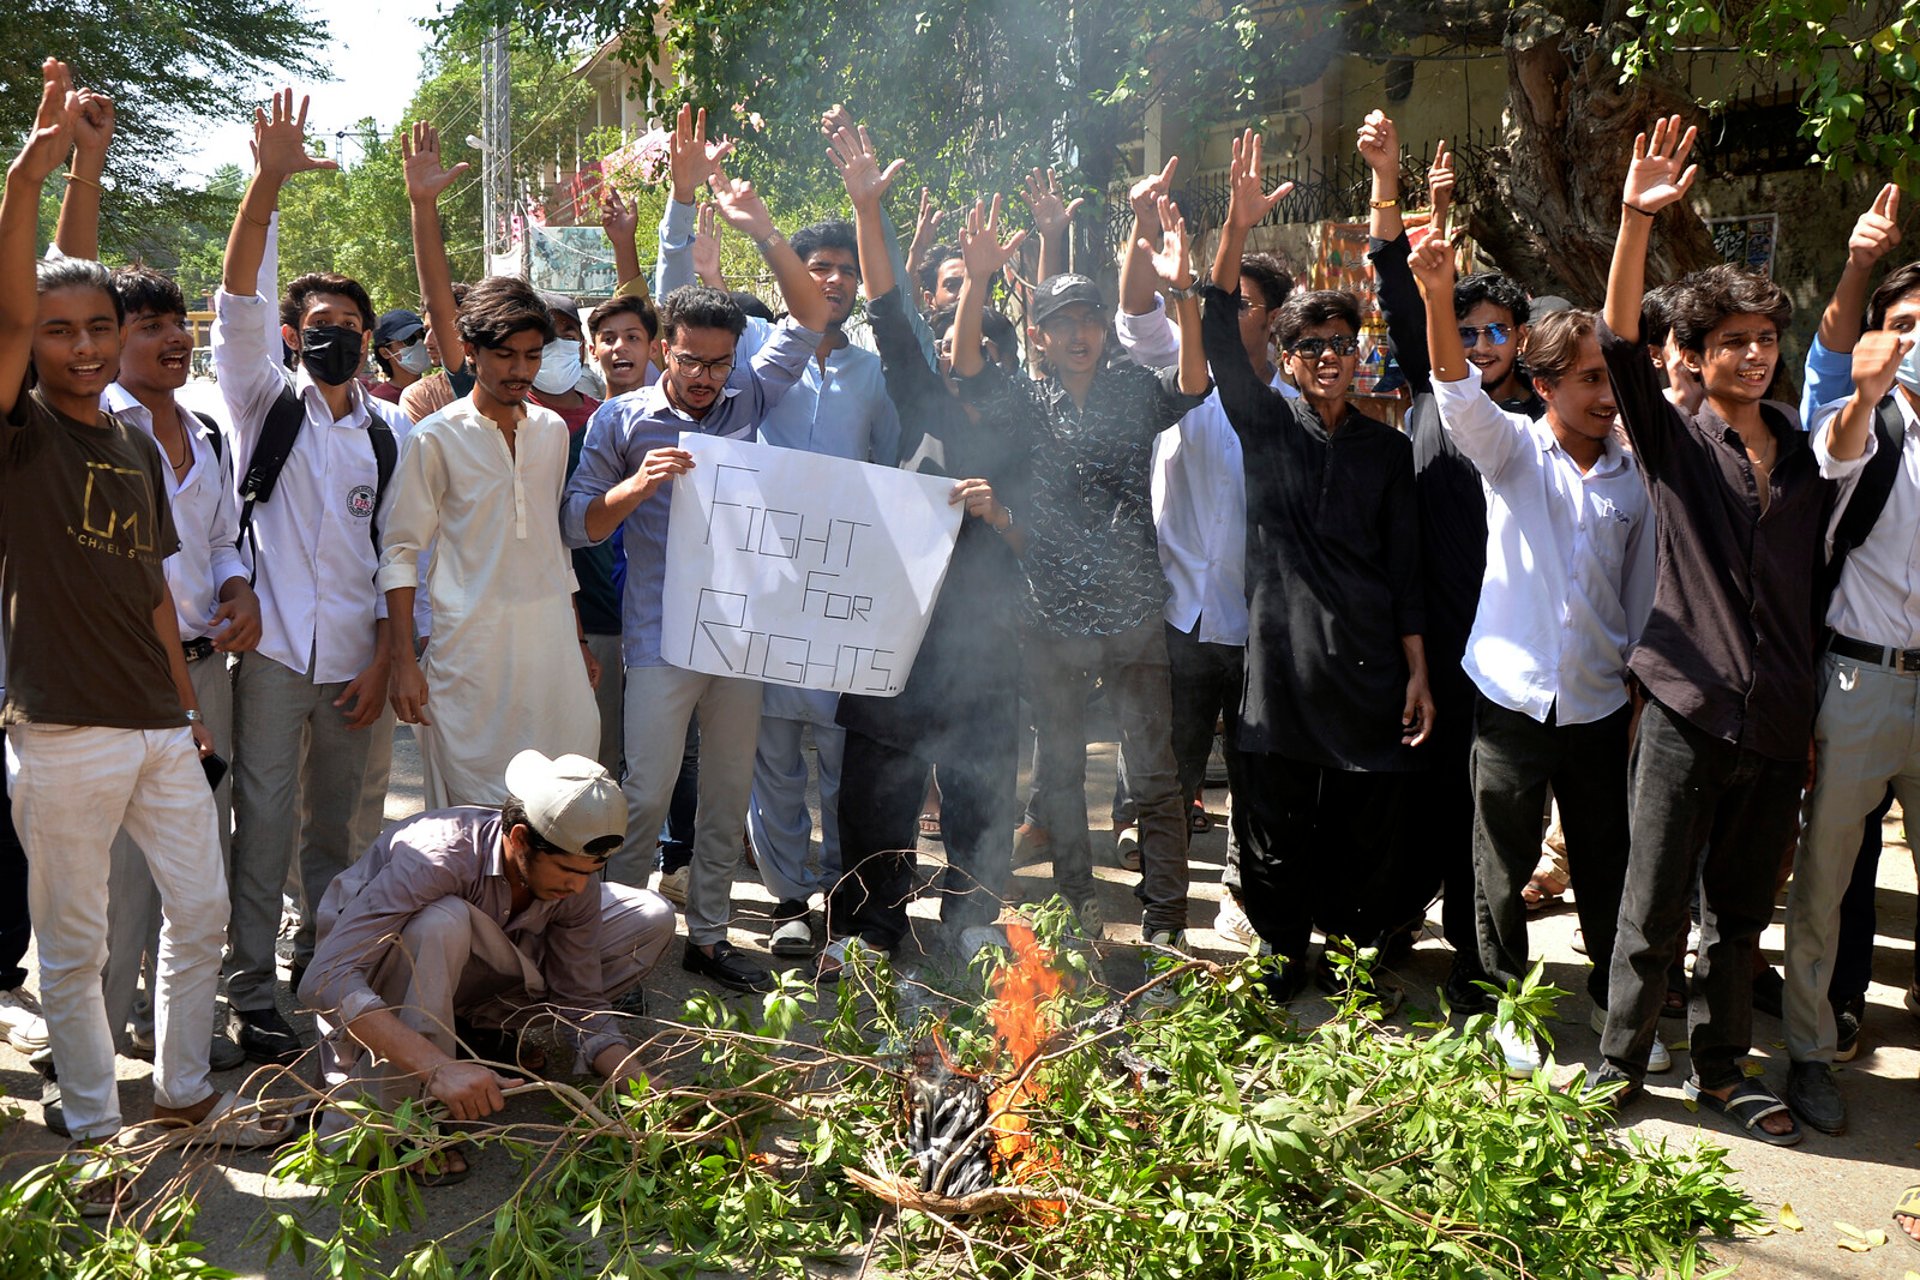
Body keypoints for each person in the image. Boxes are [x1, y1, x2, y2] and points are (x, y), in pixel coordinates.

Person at [0, 62, 291, 1205]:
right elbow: (26, 302)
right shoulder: (21, 435)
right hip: (61, 731)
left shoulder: (128, 440)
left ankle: (178, 1091)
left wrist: (184, 709)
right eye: (57, 334)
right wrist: (40, 167)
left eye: (97, 330)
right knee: (71, 944)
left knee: (202, 911)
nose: (77, 346)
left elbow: (154, 592)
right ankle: (89, 1118)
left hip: (160, 722)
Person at [1590, 116, 1831, 1147]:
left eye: (1765, 340)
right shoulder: (1677, 445)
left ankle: (1724, 1070)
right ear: (1694, 354)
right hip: (1687, 712)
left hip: (1777, 721)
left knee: (1737, 917)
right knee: (1648, 908)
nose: (1751, 353)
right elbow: (1611, 342)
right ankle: (1619, 1064)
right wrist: (1637, 222)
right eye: (1730, 340)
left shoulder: (1812, 459)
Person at [563, 113, 833, 994]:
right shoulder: (621, 418)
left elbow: (813, 310)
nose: (708, 379)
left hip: (740, 636)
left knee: (725, 799)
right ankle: (621, 938)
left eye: (719, 364)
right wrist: (638, 487)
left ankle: (709, 934)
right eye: (690, 362)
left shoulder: (753, 392)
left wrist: (761, 228)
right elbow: (579, 525)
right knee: (643, 795)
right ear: (661, 349)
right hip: (657, 635)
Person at [656, 111, 904, 960]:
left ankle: (844, 901)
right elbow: (678, 294)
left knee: (838, 751)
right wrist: (688, 199)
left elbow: (897, 471)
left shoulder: (876, 372)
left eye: (843, 269)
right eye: (816, 266)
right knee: (772, 756)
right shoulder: (759, 350)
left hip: (842, 592)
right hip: (757, 587)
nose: (830, 280)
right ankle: (790, 898)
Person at [1408, 237, 1658, 1077]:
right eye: (1587, 379)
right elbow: (1453, 394)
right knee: (1499, 865)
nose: (1605, 395)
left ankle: (1616, 1004)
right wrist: (1438, 296)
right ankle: (1506, 1005)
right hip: (1512, 700)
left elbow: (1638, 598)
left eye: (1610, 379)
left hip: (1596, 705)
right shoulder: (1513, 452)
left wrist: (1630, 696)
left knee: (1608, 863)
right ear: (1544, 384)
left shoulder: (1634, 480)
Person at [1200, 129, 1433, 1002]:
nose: (1330, 356)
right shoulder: (1264, 426)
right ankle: (1278, 958)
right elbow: (1220, 321)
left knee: (1368, 824)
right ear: (1289, 363)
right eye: (1312, 346)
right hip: (1283, 668)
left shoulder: (1387, 449)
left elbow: (1406, 570)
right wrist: (1233, 222)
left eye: (1344, 341)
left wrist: (1418, 672)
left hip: (1372, 665)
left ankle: (1354, 959)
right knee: (1274, 826)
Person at [951, 190, 1209, 949]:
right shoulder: (1027, 403)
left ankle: (1165, 923)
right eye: (1062, 323)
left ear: (1104, 328)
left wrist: (1185, 293)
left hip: (1131, 617)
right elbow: (965, 369)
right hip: (1051, 619)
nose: (1079, 334)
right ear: (1038, 335)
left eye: (1090, 320)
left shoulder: (1134, 388)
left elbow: (1194, 384)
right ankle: (1075, 911)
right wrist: (973, 281)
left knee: (1157, 779)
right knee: (1060, 777)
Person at [214, 88, 413, 1065]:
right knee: (264, 833)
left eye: (349, 322)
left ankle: (323, 967)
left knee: (339, 836)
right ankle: (251, 991)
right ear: (295, 336)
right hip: (278, 658)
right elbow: (240, 295)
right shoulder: (263, 401)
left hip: (355, 665)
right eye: (317, 322)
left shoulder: (389, 430)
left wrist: (385, 660)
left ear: (370, 337)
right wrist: (268, 184)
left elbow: (396, 561)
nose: (333, 334)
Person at [809, 126, 1025, 977]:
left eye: (985, 356)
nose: (964, 363)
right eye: (955, 353)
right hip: (892, 632)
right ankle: (868, 932)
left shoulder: (1026, 429)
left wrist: (1000, 514)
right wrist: (870, 209)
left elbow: (1045, 532)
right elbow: (891, 308)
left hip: (984, 648)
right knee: (875, 794)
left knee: (979, 791)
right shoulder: (919, 392)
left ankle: (972, 922)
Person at [301, 750, 672, 1180]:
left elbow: (579, 999)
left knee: (650, 917)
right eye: (568, 870)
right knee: (441, 923)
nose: (578, 886)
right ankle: (402, 1126)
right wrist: (436, 1067)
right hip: (383, 976)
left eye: (592, 871)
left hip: (470, 979)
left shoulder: (575, 881)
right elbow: (327, 977)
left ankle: (475, 1034)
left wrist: (641, 1089)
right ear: (518, 839)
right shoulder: (438, 856)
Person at [1361, 111, 1534, 1007]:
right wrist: (1389, 186)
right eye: (1464, 333)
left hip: (1501, 647)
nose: (1477, 347)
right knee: (1414, 795)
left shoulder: (1541, 430)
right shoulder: (1435, 395)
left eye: (1496, 332)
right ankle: (1392, 924)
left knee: (1487, 815)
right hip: (1423, 632)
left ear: (1522, 343)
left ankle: (1481, 965)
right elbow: (1399, 287)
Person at [1109, 155, 1281, 936]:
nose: (1219, 310)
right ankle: (1164, 906)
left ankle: (1245, 899)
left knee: (1256, 772)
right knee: (1166, 772)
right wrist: (1144, 225)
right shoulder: (1173, 377)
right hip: (1175, 614)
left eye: (1238, 302)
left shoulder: (1290, 406)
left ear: (1269, 317)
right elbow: (1137, 311)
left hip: (1256, 626)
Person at [96, 264, 260, 1069]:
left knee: (197, 855)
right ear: (108, 340)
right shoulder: (91, 430)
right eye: (149, 325)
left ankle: (173, 1033)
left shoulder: (207, 433)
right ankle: (88, 1042)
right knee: (123, 874)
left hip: (208, 675)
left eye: (176, 324)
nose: (174, 338)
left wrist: (239, 589)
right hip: (127, 682)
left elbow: (223, 538)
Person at [1780, 197, 1920, 1137]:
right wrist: (1866, 391)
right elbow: (1831, 452)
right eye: (1902, 328)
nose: (1914, 343)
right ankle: (1806, 1052)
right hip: (1859, 683)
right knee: (1826, 880)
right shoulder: (1862, 419)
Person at [379, 272, 601, 806]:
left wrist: (577, 639)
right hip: (469, 658)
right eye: (505, 355)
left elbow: (554, 546)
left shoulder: (550, 432)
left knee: (561, 804)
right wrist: (404, 663)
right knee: (473, 817)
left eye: (531, 355)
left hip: (551, 657)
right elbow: (400, 554)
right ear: (472, 353)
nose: (521, 370)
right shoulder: (436, 437)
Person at [367, 308, 429, 405]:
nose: (420, 343)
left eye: (423, 336)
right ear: (385, 352)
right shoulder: (376, 404)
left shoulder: (439, 391)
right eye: (409, 340)